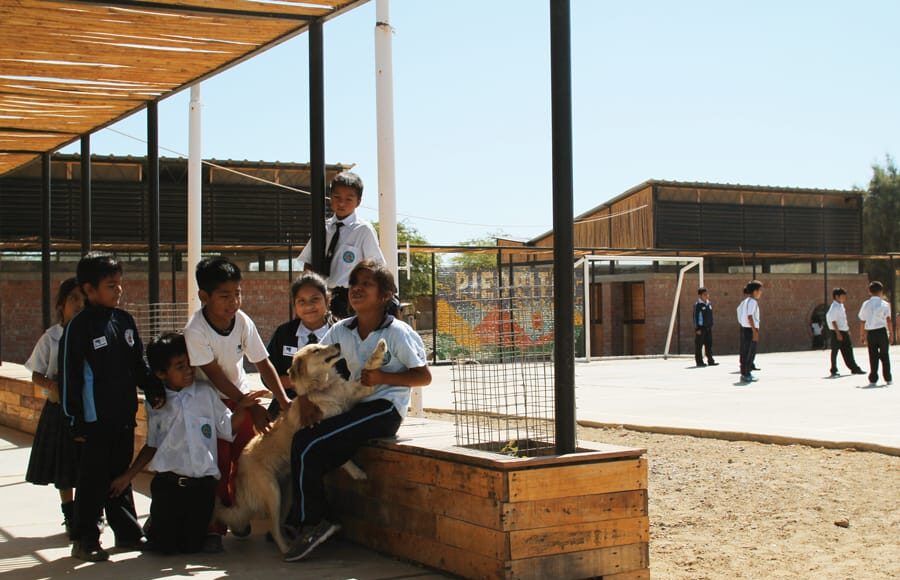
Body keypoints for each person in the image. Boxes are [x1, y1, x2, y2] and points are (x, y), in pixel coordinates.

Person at [284, 259, 431, 562]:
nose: (357, 289)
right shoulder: (342, 329)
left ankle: (308, 523)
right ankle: (311, 520)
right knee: (308, 439)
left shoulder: (397, 332)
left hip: (383, 410)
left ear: (386, 295)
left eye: (367, 283)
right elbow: (310, 362)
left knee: (307, 443)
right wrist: (303, 399)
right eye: (354, 283)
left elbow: (424, 377)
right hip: (354, 405)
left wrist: (384, 377)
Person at [109, 333, 262, 554]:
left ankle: (193, 526)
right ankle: (157, 521)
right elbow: (152, 445)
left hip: (201, 488)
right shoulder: (157, 404)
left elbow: (227, 429)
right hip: (168, 486)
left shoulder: (205, 394)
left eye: (190, 364)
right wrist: (127, 477)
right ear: (161, 373)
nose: (189, 370)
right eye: (180, 367)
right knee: (164, 548)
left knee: (192, 547)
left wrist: (242, 407)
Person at [58, 252, 165, 562]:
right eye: (110, 285)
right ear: (89, 290)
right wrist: (75, 420)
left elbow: (138, 363)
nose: (118, 291)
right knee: (91, 483)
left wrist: (152, 386)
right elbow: (70, 378)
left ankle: (128, 533)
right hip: (94, 424)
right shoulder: (78, 328)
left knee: (120, 478)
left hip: (123, 418)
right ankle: (85, 539)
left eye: (120, 284)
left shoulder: (124, 321)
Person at [182, 256, 291, 552]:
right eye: (225, 296)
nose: (234, 301)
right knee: (217, 464)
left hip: (241, 398)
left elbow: (264, 364)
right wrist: (249, 406)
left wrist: (283, 401)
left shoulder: (242, 321)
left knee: (247, 460)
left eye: (238, 293)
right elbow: (216, 376)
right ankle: (214, 526)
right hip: (211, 404)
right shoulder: (196, 331)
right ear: (204, 296)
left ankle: (240, 514)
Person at [24, 277, 84, 537]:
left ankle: (89, 513)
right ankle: (69, 513)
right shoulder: (52, 337)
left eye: (83, 299)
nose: (79, 304)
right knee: (63, 465)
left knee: (84, 464)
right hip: (58, 410)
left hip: (84, 409)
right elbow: (35, 372)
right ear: (61, 305)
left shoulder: (89, 334)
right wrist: (52, 385)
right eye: (73, 299)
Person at [297, 171, 386, 318]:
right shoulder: (323, 228)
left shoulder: (363, 230)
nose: (341, 203)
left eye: (349, 199)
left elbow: (376, 268)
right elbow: (308, 263)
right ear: (330, 197)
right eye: (337, 197)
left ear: (358, 201)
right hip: (324, 297)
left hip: (350, 299)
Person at [266, 272, 336, 418]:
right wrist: (299, 382)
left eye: (315, 299)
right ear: (294, 305)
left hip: (331, 406)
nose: (308, 306)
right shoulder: (283, 333)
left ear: (327, 300)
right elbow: (267, 376)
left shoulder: (339, 332)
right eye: (301, 301)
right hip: (286, 405)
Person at [825, 288, 865, 378]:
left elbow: (842, 320)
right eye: (842, 296)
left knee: (848, 350)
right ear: (836, 297)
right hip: (837, 332)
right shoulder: (834, 307)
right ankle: (834, 370)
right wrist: (838, 333)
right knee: (835, 351)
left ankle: (854, 368)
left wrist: (846, 330)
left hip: (843, 331)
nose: (844, 298)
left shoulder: (841, 305)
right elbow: (833, 321)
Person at [858, 281, 892, 387]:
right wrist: (891, 334)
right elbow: (889, 320)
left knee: (872, 356)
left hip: (871, 333)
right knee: (885, 355)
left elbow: (862, 321)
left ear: (869, 292)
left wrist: (862, 335)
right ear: (881, 291)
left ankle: (873, 379)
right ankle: (888, 378)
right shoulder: (885, 304)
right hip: (881, 332)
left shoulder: (865, 304)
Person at [736, 280, 763, 383]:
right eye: (760, 290)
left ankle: (746, 372)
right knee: (749, 352)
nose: (761, 292)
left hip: (744, 328)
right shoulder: (753, 302)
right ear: (755, 291)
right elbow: (750, 316)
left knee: (745, 351)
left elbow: (738, 311)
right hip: (750, 329)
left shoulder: (745, 301)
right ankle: (746, 374)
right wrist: (754, 331)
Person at [693, 287, 717, 367]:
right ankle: (699, 361)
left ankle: (710, 360)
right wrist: (697, 328)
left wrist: (711, 324)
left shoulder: (708, 304)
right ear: (700, 295)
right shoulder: (698, 305)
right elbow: (695, 317)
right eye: (704, 294)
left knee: (709, 345)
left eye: (707, 294)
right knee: (699, 345)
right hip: (701, 328)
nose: (707, 296)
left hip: (708, 328)